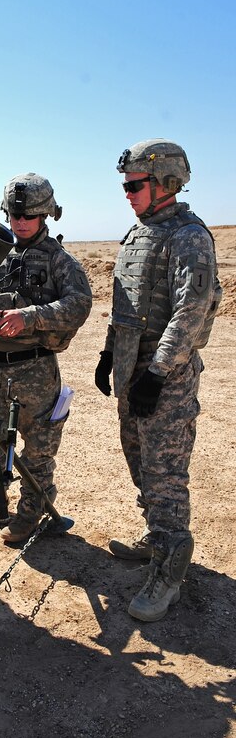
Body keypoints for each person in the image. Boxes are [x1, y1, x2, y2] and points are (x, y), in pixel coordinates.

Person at [95, 139, 222, 622]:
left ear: (166, 182)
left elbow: (190, 311)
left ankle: (170, 569)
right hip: (135, 371)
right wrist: (110, 353)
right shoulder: (139, 232)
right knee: (139, 462)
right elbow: (127, 303)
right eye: (124, 185)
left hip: (163, 376)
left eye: (134, 185)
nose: (127, 193)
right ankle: (157, 539)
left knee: (165, 476)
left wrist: (157, 371)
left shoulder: (188, 236)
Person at [0, 173, 92, 542]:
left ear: (45, 216)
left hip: (35, 366)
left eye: (28, 216)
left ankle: (30, 513)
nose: (20, 223)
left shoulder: (59, 260)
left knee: (37, 448)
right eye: (14, 216)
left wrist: (31, 316)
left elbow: (79, 304)